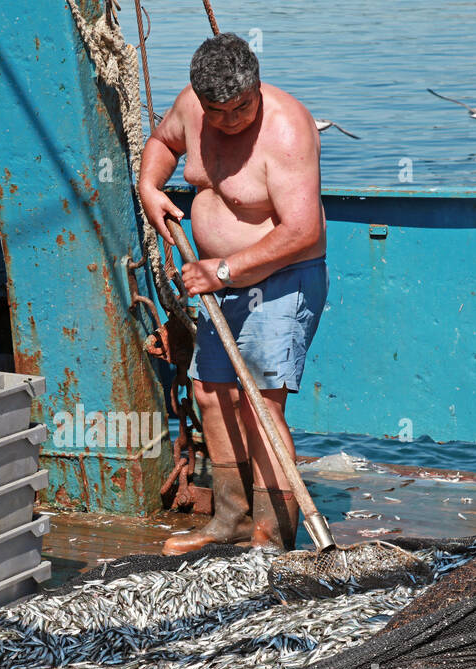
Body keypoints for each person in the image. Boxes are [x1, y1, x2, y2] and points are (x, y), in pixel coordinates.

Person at [139, 33, 328, 554]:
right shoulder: (190, 108)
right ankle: (231, 521)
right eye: (216, 110)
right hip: (220, 283)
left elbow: (302, 231)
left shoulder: (288, 129)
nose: (228, 120)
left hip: (282, 279)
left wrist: (221, 270)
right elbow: (162, 144)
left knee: (260, 404)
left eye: (241, 106)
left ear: (257, 86)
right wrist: (150, 187)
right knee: (211, 395)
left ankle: (272, 534)